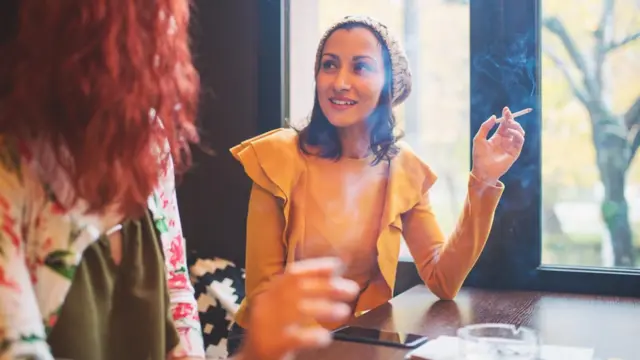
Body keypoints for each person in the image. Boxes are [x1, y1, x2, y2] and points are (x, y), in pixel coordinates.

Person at [0, 1, 358, 359]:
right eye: (158, 24)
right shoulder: (13, 171)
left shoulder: (148, 140)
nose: (174, 41)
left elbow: (178, 294)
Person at [228, 15, 526, 350]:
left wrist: (483, 180)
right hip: (275, 347)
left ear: (389, 84)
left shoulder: (403, 169)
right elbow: (265, 295)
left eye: (360, 67)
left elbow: (443, 281)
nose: (339, 81)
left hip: (359, 342)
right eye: (329, 65)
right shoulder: (277, 157)